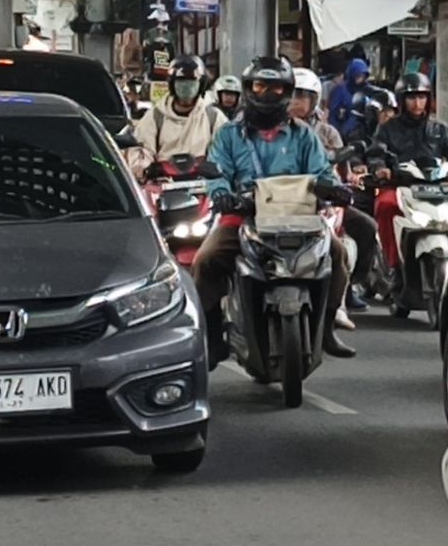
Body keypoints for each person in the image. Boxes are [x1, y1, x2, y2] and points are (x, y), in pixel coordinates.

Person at [192, 56, 356, 363]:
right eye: (260, 85)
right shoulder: (228, 134)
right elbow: (218, 173)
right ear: (248, 89)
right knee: (206, 260)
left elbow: (322, 171)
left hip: (299, 217)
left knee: (338, 253)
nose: (268, 94)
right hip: (243, 217)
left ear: (288, 92)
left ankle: (328, 328)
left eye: (277, 89)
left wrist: (334, 189)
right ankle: (213, 336)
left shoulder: (304, 134)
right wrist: (222, 194)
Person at [291, 67, 377, 314]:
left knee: (366, 227)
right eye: (293, 95)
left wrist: (342, 185)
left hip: (323, 199)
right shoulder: (273, 131)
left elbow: (341, 168)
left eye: (303, 96)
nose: (297, 102)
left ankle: (349, 288)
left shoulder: (328, 132)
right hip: (282, 201)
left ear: (314, 99)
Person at [373, 73, 448, 272]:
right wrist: (380, 169)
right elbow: (376, 153)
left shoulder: (440, 129)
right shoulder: (387, 129)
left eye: (422, 97)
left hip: (435, 189)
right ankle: (393, 265)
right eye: (411, 98)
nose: (417, 103)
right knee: (385, 206)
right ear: (402, 100)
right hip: (401, 187)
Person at [127, 56, 228, 182]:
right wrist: (147, 169)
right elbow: (141, 151)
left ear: (201, 84)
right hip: (162, 185)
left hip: (203, 186)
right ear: (172, 84)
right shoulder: (155, 116)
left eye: (191, 83)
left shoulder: (213, 116)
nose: (186, 87)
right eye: (181, 82)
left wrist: (214, 167)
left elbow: (226, 151)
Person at [328, 58, 372, 137]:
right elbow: (333, 113)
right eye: (357, 75)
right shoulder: (340, 89)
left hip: (366, 131)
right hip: (345, 131)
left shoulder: (368, 89)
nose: (360, 78)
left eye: (363, 76)